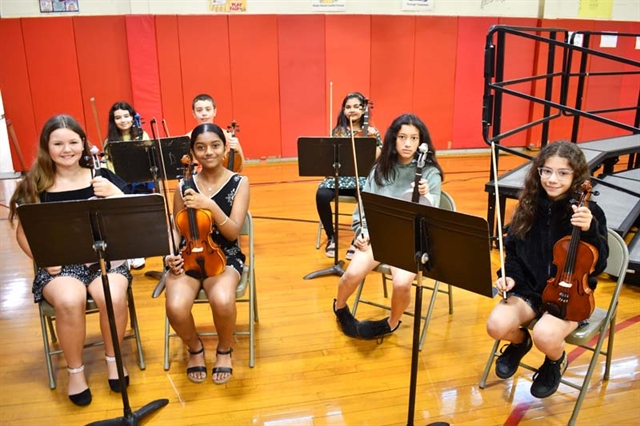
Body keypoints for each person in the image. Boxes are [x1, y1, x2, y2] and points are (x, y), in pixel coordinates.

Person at [8, 114, 133, 407]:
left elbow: (132, 217)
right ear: (46, 147)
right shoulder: (36, 184)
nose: (67, 149)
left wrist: (114, 193)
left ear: (83, 144)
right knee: (68, 299)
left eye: (73, 142)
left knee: (113, 295)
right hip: (60, 265)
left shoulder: (102, 177)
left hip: (105, 259)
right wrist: (44, 259)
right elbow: (22, 233)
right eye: (58, 143)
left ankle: (114, 359)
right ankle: (75, 371)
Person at [486, 141, 608, 399]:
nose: (553, 179)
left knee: (545, 333)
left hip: (569, 297)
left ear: (576, 175)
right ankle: (519, 343)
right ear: (538, 171)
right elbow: (514, 254)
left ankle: (555, 361)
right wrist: (508, 276)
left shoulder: (589, 212)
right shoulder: (528, 206)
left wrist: (591, 231)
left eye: (563, 173)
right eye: (546, 171)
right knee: (496, 325)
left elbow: (601, 263)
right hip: (529, 289)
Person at [333, 113, 444, 340]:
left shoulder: (430, 173)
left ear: (421, 142)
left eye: (414, 138)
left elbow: (435, 217)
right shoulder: (381, 168)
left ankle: (391, 322)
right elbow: (364, 207)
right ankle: (340, 307)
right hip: (379, 234)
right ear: (393, 139)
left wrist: (428, 196)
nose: (407, 143)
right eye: (402, 137)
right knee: (351, 274)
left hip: (410, 241)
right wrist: (360, 231)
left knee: (402, 284)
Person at [164, 123, 250, 385]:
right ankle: (195, 348)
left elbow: (234, 232)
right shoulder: (184, 186)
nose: (208, 152)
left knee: (223, 300)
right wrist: (168, 255)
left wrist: (210, 205)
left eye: (215, 146)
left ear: (225, 148)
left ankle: (224, 349)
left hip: (225, 254)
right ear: (192, 152)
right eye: (200, 147)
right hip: (188, 254)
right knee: (176, 307)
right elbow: (176, 228)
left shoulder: (239, 182)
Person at [317, 92, 382, 261]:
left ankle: (356, 240)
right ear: (343, 110)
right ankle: (331, 236)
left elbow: (379, 160)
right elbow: (329, 158)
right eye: (348, 107)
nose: (351, 110)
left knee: (366, 196)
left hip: (361, 180)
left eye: (356, 106)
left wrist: (370, 140)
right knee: (322, 195)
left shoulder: (373, 132)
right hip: (340, 178)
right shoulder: (338, 132)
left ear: (364, 109)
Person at [104, 101, 151, 269]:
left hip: (140, 182)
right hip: (120, 183)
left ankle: (138, 249)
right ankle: (127, 251)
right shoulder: (109, 141)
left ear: (133, 117)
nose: (123, 120)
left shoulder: (142, 135)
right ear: (113, 121)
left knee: (137, 204)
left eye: (126, 116)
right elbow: (108, 168)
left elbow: (148, 161)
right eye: (118, 117)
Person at [189, 93, 245, 172]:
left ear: (214, 111)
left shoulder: (228, 137)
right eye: (199, 110)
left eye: (208, 109)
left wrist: (238, 150)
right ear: (193, 113)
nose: (204, 113)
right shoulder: (188, 138)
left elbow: (240, 169)